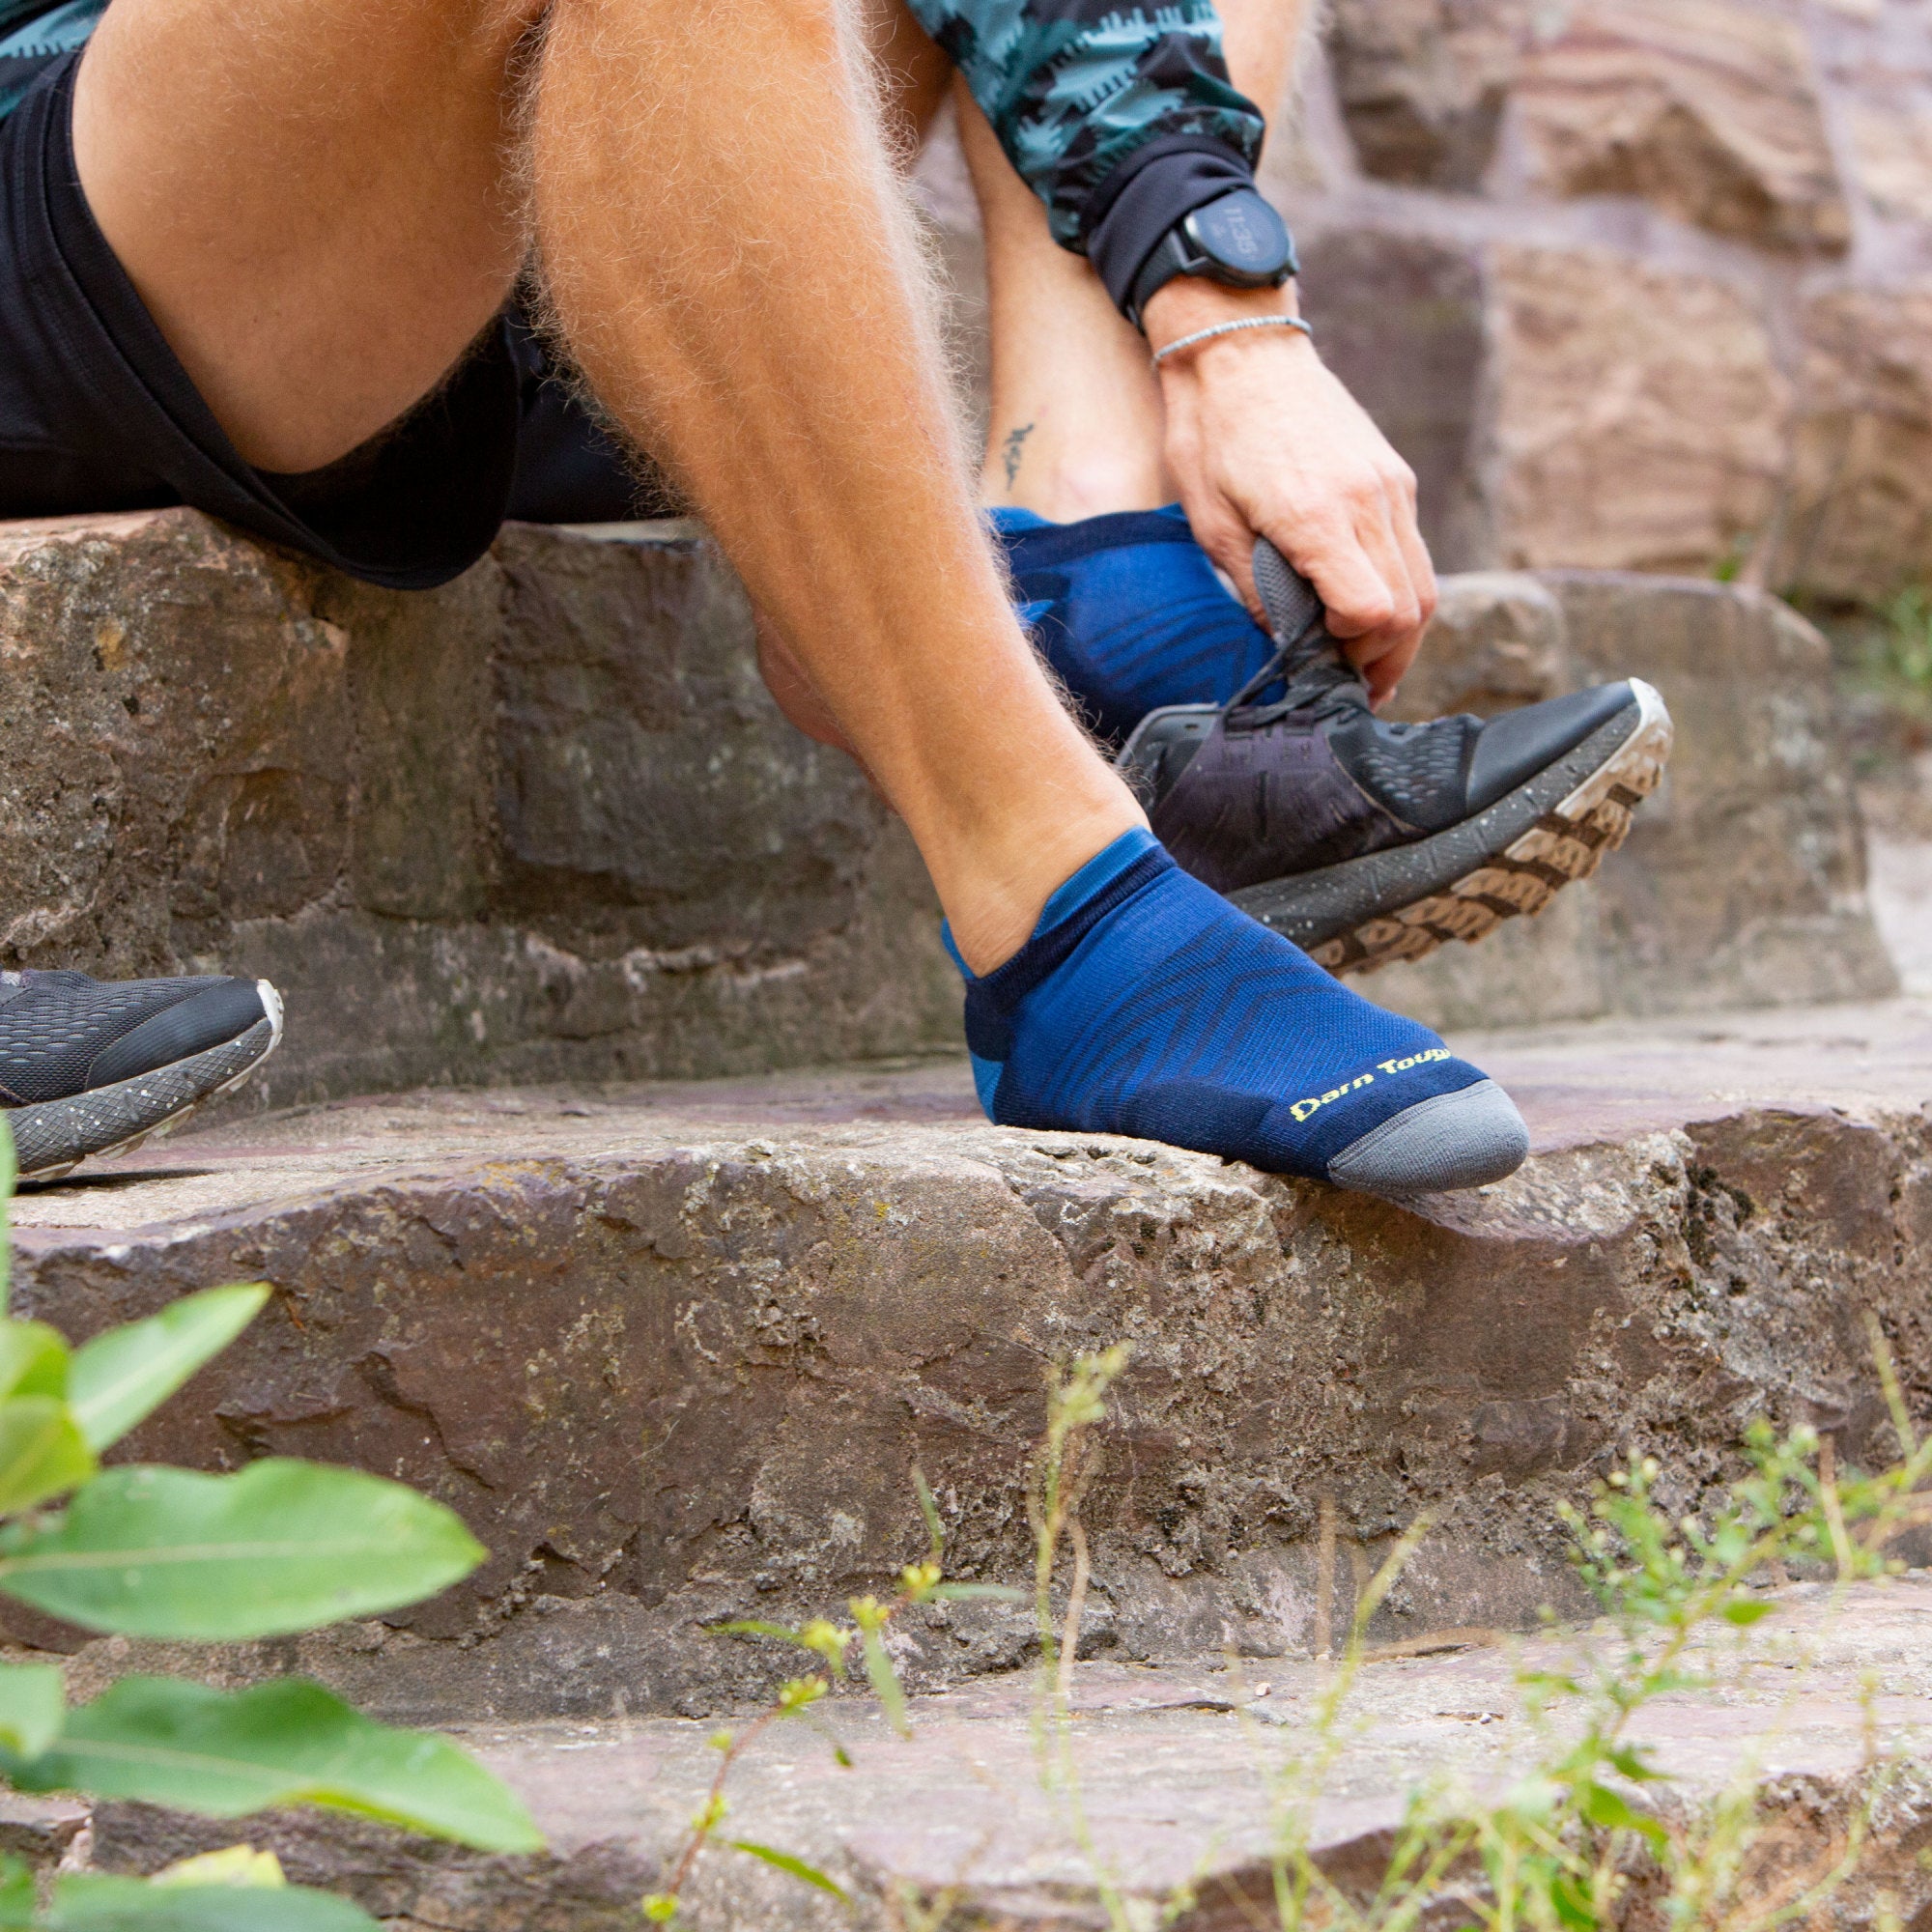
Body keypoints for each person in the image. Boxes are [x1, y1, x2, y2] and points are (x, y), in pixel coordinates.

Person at [0, 0, 1664, 1188]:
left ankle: (1089, 563)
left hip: (582, 203)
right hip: (155, 189)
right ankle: (1055, 905)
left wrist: (1216, 285)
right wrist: (1213, 301)